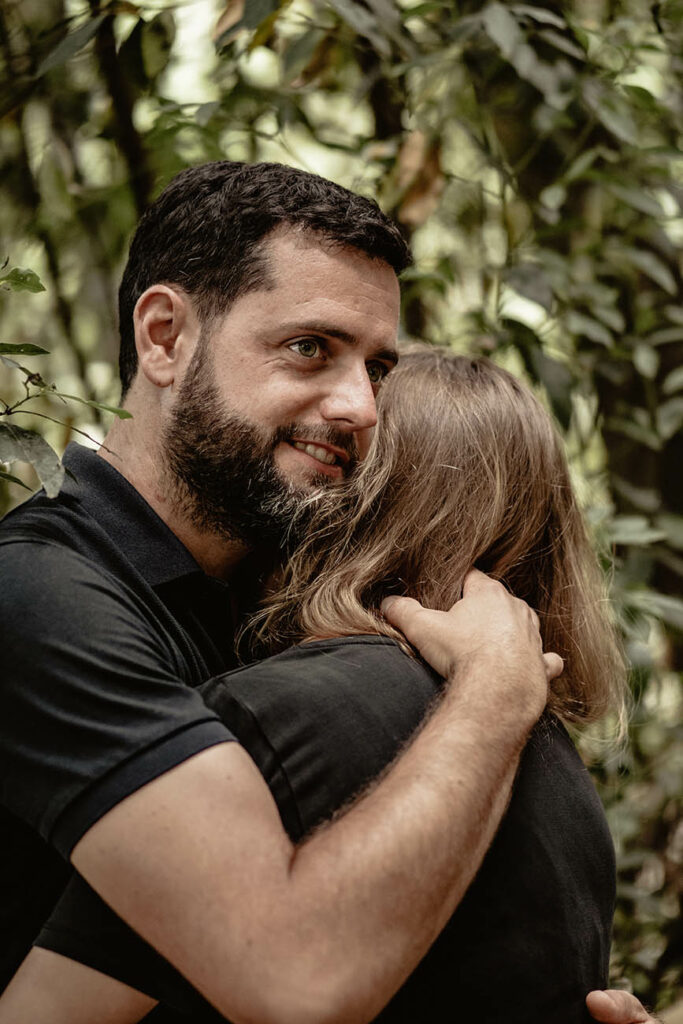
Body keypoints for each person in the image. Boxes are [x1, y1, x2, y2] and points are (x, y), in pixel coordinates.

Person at [0, 161, 654, 1024]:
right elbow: (289, 980)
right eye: (309, 348)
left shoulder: (265, 614)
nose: (359, 407)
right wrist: (496, 686)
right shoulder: (40, 592)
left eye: (378, 368)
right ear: (164, 337)